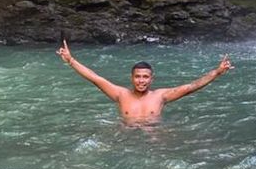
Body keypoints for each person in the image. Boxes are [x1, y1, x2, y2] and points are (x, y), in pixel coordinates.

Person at [56, 40, 234, 124]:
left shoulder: (161, 96)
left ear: (151, 79)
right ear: (132, 78)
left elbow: (191, 87)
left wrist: (217, 72)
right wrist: (71, 61)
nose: (141, 80)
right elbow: (94, 78)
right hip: (126, 138)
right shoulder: (120, 94)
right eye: (138, 76)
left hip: (153, 138)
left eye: (145, 77)